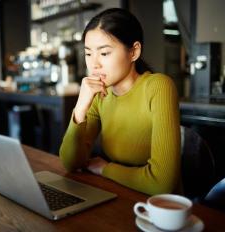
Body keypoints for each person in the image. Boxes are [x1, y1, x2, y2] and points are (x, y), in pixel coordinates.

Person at [59, 8, 181, 195]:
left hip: (158, 210)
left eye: (105, 53)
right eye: (88, 53)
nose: (94, 64)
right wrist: (81, 107)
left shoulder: (158, 87)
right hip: (118, 195)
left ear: (133, 52)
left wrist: (105, 169)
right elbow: (71, 163)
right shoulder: (99, 93)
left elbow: (162, 184)